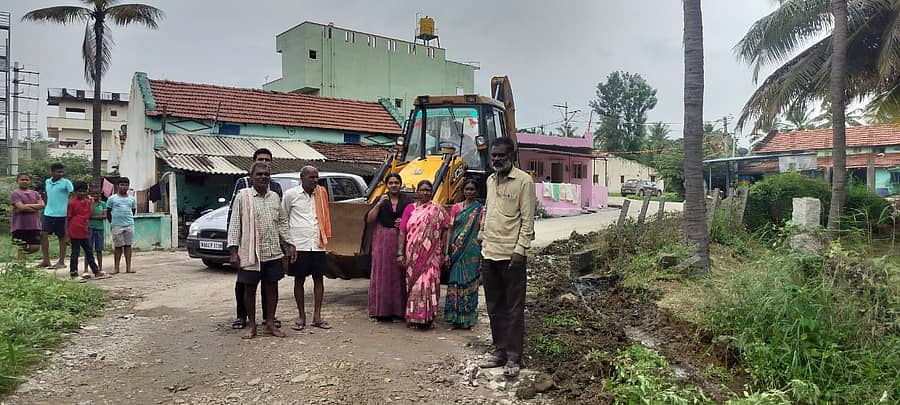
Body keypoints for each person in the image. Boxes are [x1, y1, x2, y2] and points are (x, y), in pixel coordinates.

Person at [478, 137, 536, 378]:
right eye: (494, 155)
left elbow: (527, 219)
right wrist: (481, 235)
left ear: (511, 155)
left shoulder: (524, 181)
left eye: (501, 155)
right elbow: (489, 210)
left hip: (511, 256)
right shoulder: (490, 180)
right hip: (489, 253)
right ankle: (499, 351)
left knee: (513, 309)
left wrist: (520, 250)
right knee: (494, 307)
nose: (496, 159)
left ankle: (513, 357)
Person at [227, 162, 295, 339]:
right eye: (259, 174)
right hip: (251, 253)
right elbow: (235, 225)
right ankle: (252, 326)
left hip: (272, 252)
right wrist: (233, 252)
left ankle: (270, 323)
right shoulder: (243, 197)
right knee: (249, 290)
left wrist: (289, 244)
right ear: (251, 177)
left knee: (272, 288)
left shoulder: (274, 197)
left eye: (266, 174)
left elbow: (281, 222)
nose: (263, 177)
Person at [282, 166, 333, 331]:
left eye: (316, 177)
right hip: (299, 245)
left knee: (319, 279)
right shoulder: (291, 195)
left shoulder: (321, 193)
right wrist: (288, 245)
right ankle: (301, 316)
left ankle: (317, 316)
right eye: (311, 177)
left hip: (318, 244)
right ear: (302, 178)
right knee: (299, 279)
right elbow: (283, 220)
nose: (315, 180)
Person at [397, 180, 449, 329]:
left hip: (432, 255)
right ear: (417, 192)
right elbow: (402, 232)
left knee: (429, 284)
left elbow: (446, 228)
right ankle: (414, 317)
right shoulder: (409, 209)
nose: (425, 192)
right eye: (422, 190)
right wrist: (400, 253)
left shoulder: (438, 209)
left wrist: (444, 249)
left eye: (428, 190)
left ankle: (429, 317)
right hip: (412, 254)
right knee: (414, 286)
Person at [365, 173, 412, 321]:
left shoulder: (407, 202)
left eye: (396, 182)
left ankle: (398, 311)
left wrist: (404, 221)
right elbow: (369, 219)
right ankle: (381, 311)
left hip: (401, 240)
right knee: (382, 273)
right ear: (386, 185)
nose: (393, 185)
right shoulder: (380, 199)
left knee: (399, 275)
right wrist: (378, 205)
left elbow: (415, 219)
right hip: (382, 241)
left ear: (401, 184)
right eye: (390, 182)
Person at [443, 179, 484, 329]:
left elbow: (482, 229)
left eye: (472, 189)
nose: (469, 192)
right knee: (455, 282)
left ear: (477, 191)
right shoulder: (456, 208)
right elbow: (450, 229)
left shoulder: (480, 209)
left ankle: (468, 319)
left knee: (470, 283)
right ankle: (454, 318)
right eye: (467, 189)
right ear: (463, 190)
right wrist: (447, 252)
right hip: (456, 251)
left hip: (472, 250)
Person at [38, 163, 73, 268]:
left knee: (61, 237)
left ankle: (61, 261)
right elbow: (47, 195)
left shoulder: (66, 183)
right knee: (43, 234)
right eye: (58, 172)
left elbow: (73, 194)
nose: (61, 174)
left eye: (62, 171)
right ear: (52, 172)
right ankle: (46, 260)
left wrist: (68, 209)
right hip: (48, 213)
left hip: (62, 214)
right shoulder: (47, 182)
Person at [67, 181, 103, 279]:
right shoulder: (72, 203)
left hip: (84, 230)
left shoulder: (87, 202)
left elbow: (89, 214)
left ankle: (96, 271)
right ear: (75, 192)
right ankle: (73, 273)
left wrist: (91, 202)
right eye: (79, 191)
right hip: (74, 230)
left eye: (84, 191)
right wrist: (67, 234)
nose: (82, 193)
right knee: (75, 252)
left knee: (89, 252)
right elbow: (68, 218)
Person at [10, 173, 45, 260]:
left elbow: (42, 205)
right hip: (20, 226)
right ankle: (21, 267)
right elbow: (20, 207)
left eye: (26, 179)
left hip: (34, 225)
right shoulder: (15, 193)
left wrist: (25, 206)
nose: (24, 181)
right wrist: (35, 208)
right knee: (22, 247)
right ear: (17, 181)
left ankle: (18, 258)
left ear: (29, 181)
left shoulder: (35, 193)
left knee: (35, 247)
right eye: (22, 179)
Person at [107, 178, 137, 274]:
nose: (124, 187)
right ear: (117, 185)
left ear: (128, 186)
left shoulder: (132, 199)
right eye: (122, 185)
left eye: (126, 185)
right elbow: (108, 212)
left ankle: (128, 267)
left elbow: (133, 211)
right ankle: (116, 268)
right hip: (116, 226)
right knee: (118, 247)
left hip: (129, 225)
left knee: (128, 246)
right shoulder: (112, 198)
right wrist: (113, 222)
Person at [87, 184, 108, 274]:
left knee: (99, 249)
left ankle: (100, 268)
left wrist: (93, 217)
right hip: (89, 228)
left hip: (99, 228)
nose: (95, 196)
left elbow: (104, 216)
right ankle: (85, 269)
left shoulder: (103, 204)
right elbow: (88, 215)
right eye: (93, 194)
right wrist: (91, 203)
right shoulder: (87, 203)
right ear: (90, 194)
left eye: (97, 194)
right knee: (88, 249)